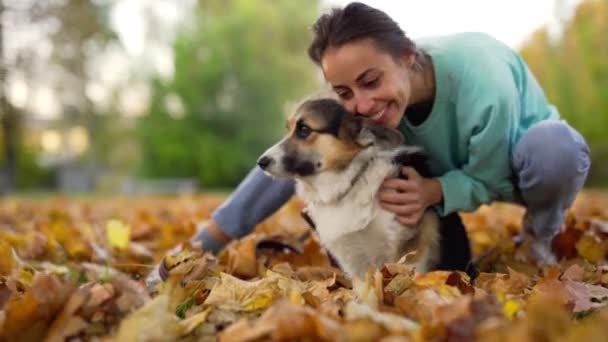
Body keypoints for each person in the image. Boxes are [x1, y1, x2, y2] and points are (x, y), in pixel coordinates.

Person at [148, 2, 591, 285]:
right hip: (447, 168)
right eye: (344, 94)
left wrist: (436, 192)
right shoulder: (368, 113)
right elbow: (298, 157)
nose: (362, 105)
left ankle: (541, 234)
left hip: (520, 164)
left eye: (371, 82)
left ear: (408, 56)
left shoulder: (482, 74)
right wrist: (206, 241)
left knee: (556, 151)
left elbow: (489, 174)